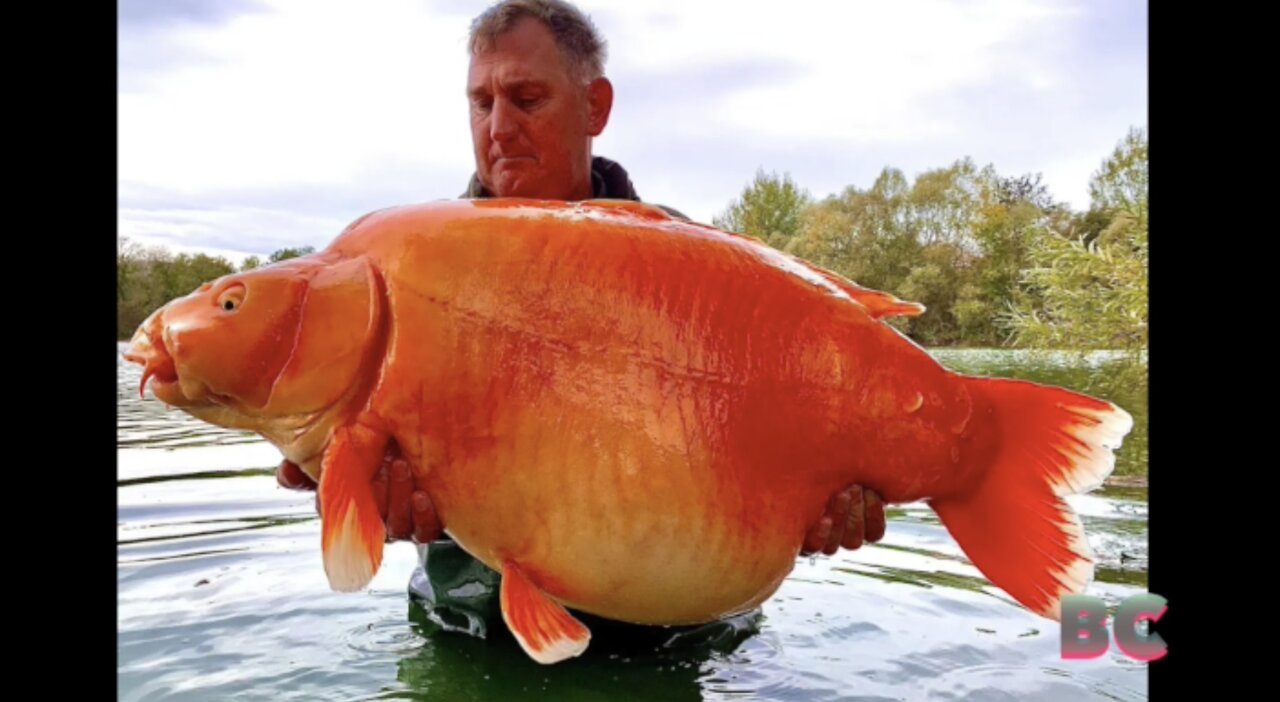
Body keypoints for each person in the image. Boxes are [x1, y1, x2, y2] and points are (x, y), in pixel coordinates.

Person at [276, 0, 886, 648]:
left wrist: (824, 503)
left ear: (595, 106)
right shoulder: (403, 275)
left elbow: (783, 444)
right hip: (468, 630)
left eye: (526, 97)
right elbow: (336, 454)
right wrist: (350, 490)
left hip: (674, 643)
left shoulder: (700, 269)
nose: (500, 126)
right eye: (481, 103)